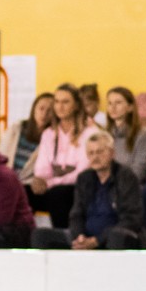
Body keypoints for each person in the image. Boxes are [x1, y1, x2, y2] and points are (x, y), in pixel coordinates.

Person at [32, 131, 146, 250]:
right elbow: (76, 215)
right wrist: (80, 237)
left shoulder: (126, 177)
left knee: (117, 237)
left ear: (112, 153)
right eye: (91, 153)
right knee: (40, 236)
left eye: (100, 152)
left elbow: (132, 219)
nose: (95, 157)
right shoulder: (84, 178)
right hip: (86, 237)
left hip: (114, 237)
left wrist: (97, 240)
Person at [28, 83, 99, 229]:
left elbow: (82, 172)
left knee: (58, 194)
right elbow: (42, 168)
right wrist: (40, 180)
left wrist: (50, 183)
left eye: (65, 102)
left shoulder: (90, 132)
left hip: (79, 188)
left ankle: (64, 239)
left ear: (76, 105)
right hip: (53, 185)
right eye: (57, 102)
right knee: (23, 193)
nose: (60, 107)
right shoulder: (49, 133)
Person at [0, 92, 54, 182]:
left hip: (29, 183)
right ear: (34, 109)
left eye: (50, 111)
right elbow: (1, 155)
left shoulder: (52, 137)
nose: (44, 114)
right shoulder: (16, 128)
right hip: (5, 179)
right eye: (41, 108)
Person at [105, 87, 146, 182]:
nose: (113, 107)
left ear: (130, 107)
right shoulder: (105, 134)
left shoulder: (143, 134)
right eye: (110, 103)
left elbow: (140, 171)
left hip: (131, 185)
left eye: (118, 103)